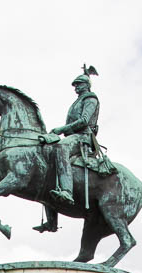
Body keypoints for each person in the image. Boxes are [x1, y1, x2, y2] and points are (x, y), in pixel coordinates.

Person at [48, 73, 100, 206]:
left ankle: (67, 191)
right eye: (75, 85)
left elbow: (84, 121)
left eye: (79, 84)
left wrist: (62, 129)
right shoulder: (78, 101)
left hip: (83, 137)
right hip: (73, 136)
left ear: (87, 85)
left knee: (61, 148)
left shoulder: (90, 99)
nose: (76, 87)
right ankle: (51, 219)